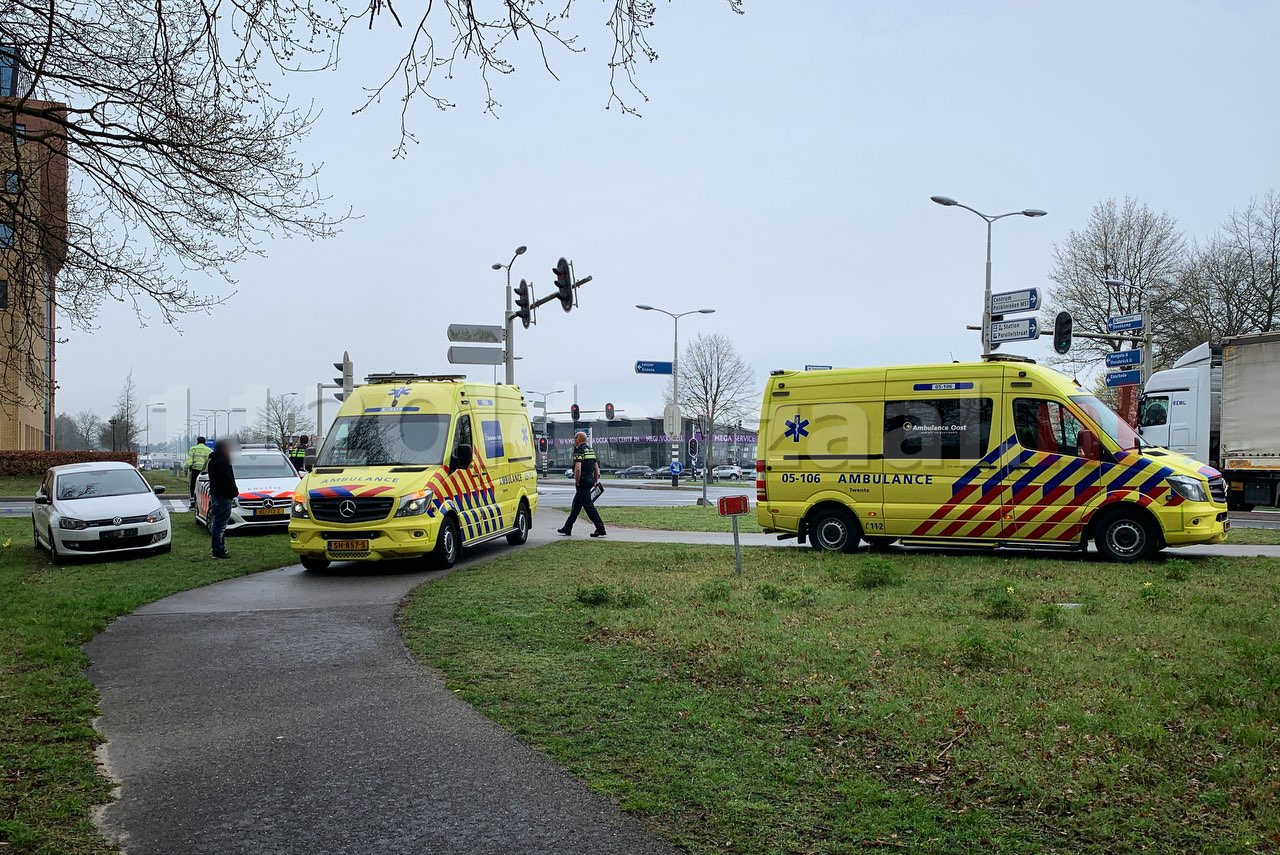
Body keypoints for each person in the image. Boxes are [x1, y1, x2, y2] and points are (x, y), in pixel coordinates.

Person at [558, 431, 606, 538]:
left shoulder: (578, 450)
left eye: (575, 438)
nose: (574, 440)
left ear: (579, 439)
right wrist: (595, 480)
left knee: (589, 506)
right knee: (576, 505)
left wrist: (577, 481)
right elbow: (596, 468)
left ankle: (600, 528)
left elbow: (578, 468)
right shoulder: (590, 450)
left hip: (583, 480)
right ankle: (567, 527)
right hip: (590, 479)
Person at [205, 438, 239, 559]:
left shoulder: (214, 461)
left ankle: (219, 548)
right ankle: (217, 549)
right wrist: (234, 491)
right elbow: (227, 479)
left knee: (219, 523)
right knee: (220, 524)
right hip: (223, 495)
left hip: (218, 495)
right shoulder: (221, 462)